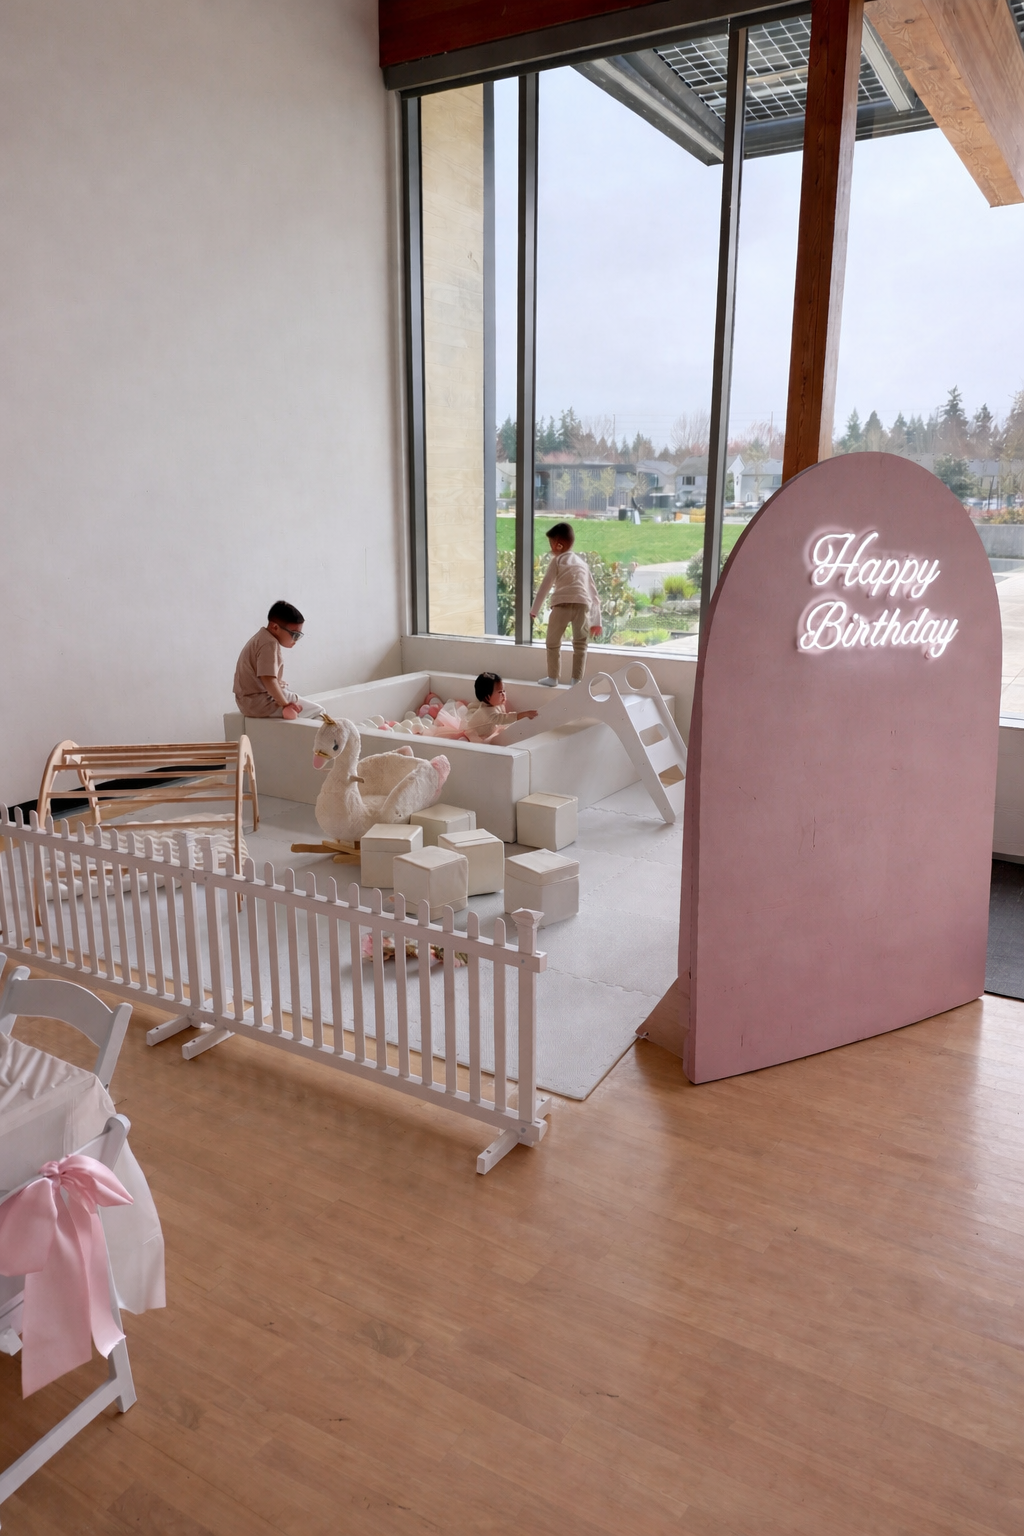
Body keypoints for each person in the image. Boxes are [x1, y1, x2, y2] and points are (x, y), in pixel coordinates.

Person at [529, 522, 602, 686]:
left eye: (551, 545)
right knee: (581, 645)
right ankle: (577, 680)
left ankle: (553, 677)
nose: (551, 550)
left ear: (558, 545)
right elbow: (594, 595)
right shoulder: (583, 564)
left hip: (561, 605)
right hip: (582, 605)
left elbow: (544, 587)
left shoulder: (557, 561)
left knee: (553, 643)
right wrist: (597, 622)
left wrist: (534, 610)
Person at [233, 600, 320, 721]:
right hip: (258, 702)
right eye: (295, 635)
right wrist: (285, 704)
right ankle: (286, 712)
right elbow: (268, 679)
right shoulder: (269, 643)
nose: (296, 640)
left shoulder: (260, 638)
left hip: (248, 701)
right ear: (275, 627)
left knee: (295, 700)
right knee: (318, 712)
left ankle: (287, 711)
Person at [464, 673, 538, 739]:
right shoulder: (486, 713)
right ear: (487, 697)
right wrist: (524, 714)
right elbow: (504, 718)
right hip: (475, 733)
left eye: (504, 691)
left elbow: (502, 714)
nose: (503, 694)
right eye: (500, 692)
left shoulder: (494, 703)